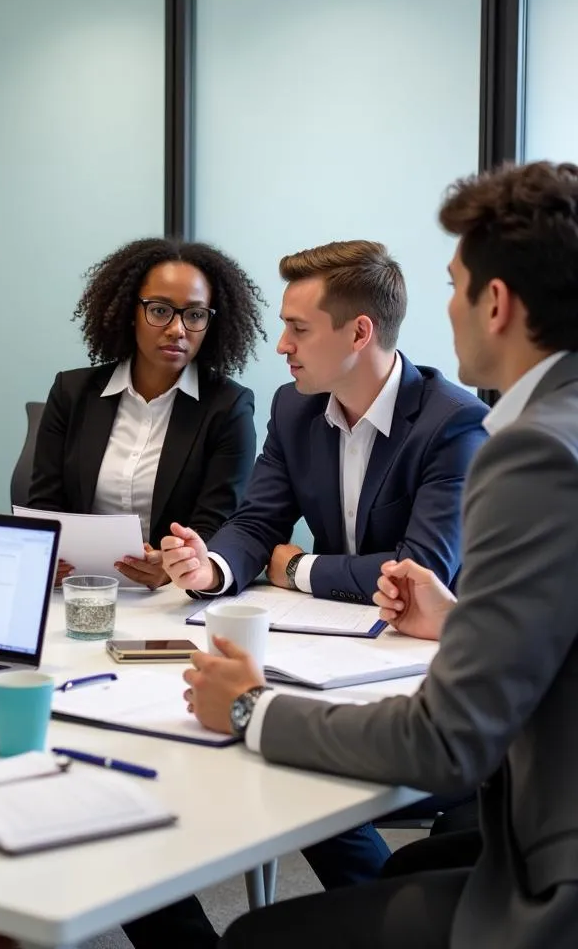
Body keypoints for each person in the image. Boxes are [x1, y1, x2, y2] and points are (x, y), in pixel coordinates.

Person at [179, 160, 578, 949]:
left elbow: (446, 741)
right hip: (530, 806)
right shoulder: (559, 427)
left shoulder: (526, 451)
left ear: (495, 303)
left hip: (550, 876)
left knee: (258, 938)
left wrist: (251, 706)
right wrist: (455, 619)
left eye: (454, 284)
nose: (448, 308)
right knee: (383, 874)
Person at [160, 239, 488, 888]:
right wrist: (213, 567)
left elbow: (417, 571)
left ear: (359, 332)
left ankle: (385, 914)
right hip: (334, 663)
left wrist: (298, 569)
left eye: (298, 328)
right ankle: (380, 908)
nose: (281, 344)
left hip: (431, 691)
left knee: (296, 762)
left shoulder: (453, 424)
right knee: (281, 760)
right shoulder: (294, 407)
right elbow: (258, 522)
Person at [28, 237, 266, 589]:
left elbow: (215, 525)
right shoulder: (72, 392)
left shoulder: (228, 407)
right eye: (159, 310)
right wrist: (47, 556)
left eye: (195, 315)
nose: (177, 329)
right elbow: (45, 506)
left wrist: (173, 567)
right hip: (76, 590)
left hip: (172, 599)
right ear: (130, 312)